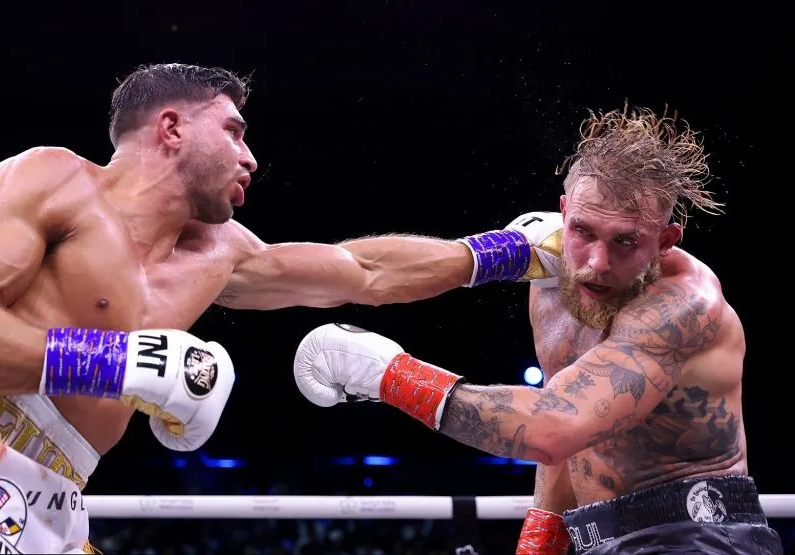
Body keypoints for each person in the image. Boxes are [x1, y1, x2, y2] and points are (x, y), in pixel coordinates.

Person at [0, 61, 521, 554]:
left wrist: (506, 252)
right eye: (234, 131)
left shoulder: (224, 253)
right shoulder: (52, 181)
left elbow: (365, 271)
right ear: (170, 127)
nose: (251, 157)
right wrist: (114, 360)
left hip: (55, 504)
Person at [293, 106, 783, 554]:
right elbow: (566, 437)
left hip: (699, 536)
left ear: (665, 240)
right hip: (601, 538)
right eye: (583, 232)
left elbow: (553, 426)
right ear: (564, 213)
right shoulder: (551, 277)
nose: (596, 264)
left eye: (626, 242)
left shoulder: (683, 307)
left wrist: (389, 375)